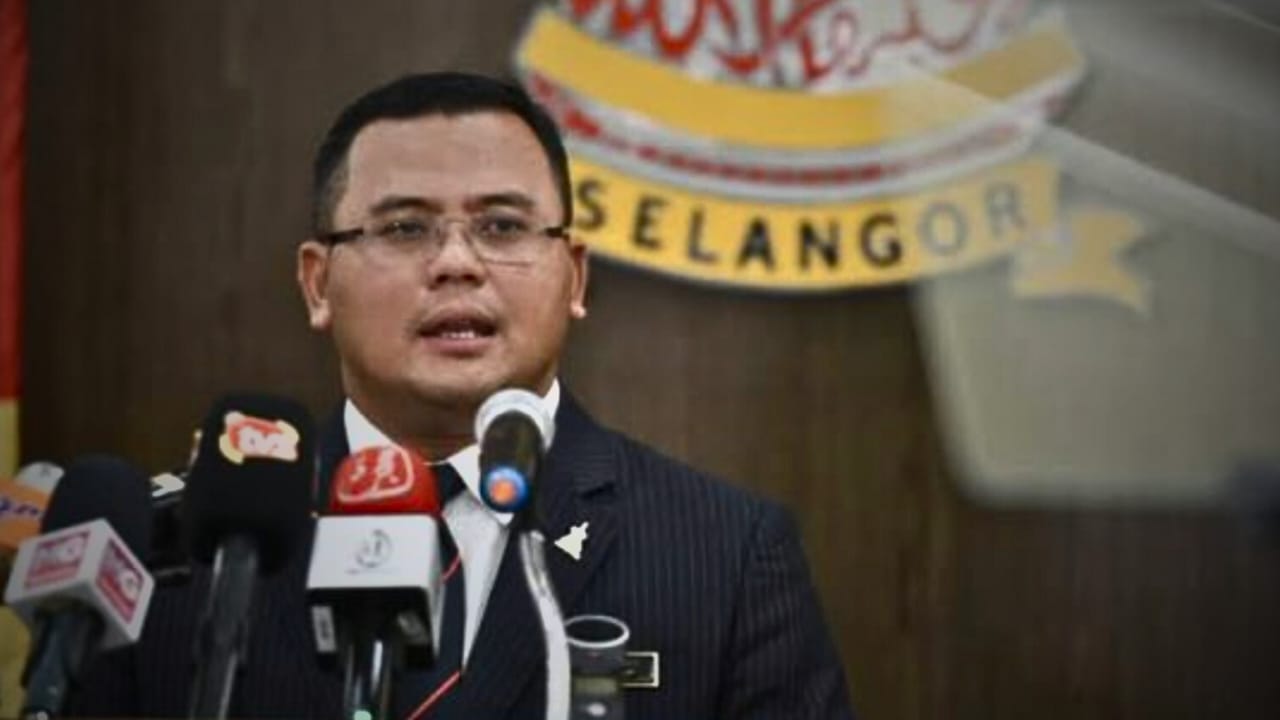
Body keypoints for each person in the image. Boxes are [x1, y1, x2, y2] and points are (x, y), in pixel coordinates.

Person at [70, 72, 854, 719]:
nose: (456, 263)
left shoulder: (724, 554)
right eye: (404, 229)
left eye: (503, 226)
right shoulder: (174, 555)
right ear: (317, 284)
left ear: (574, 277)